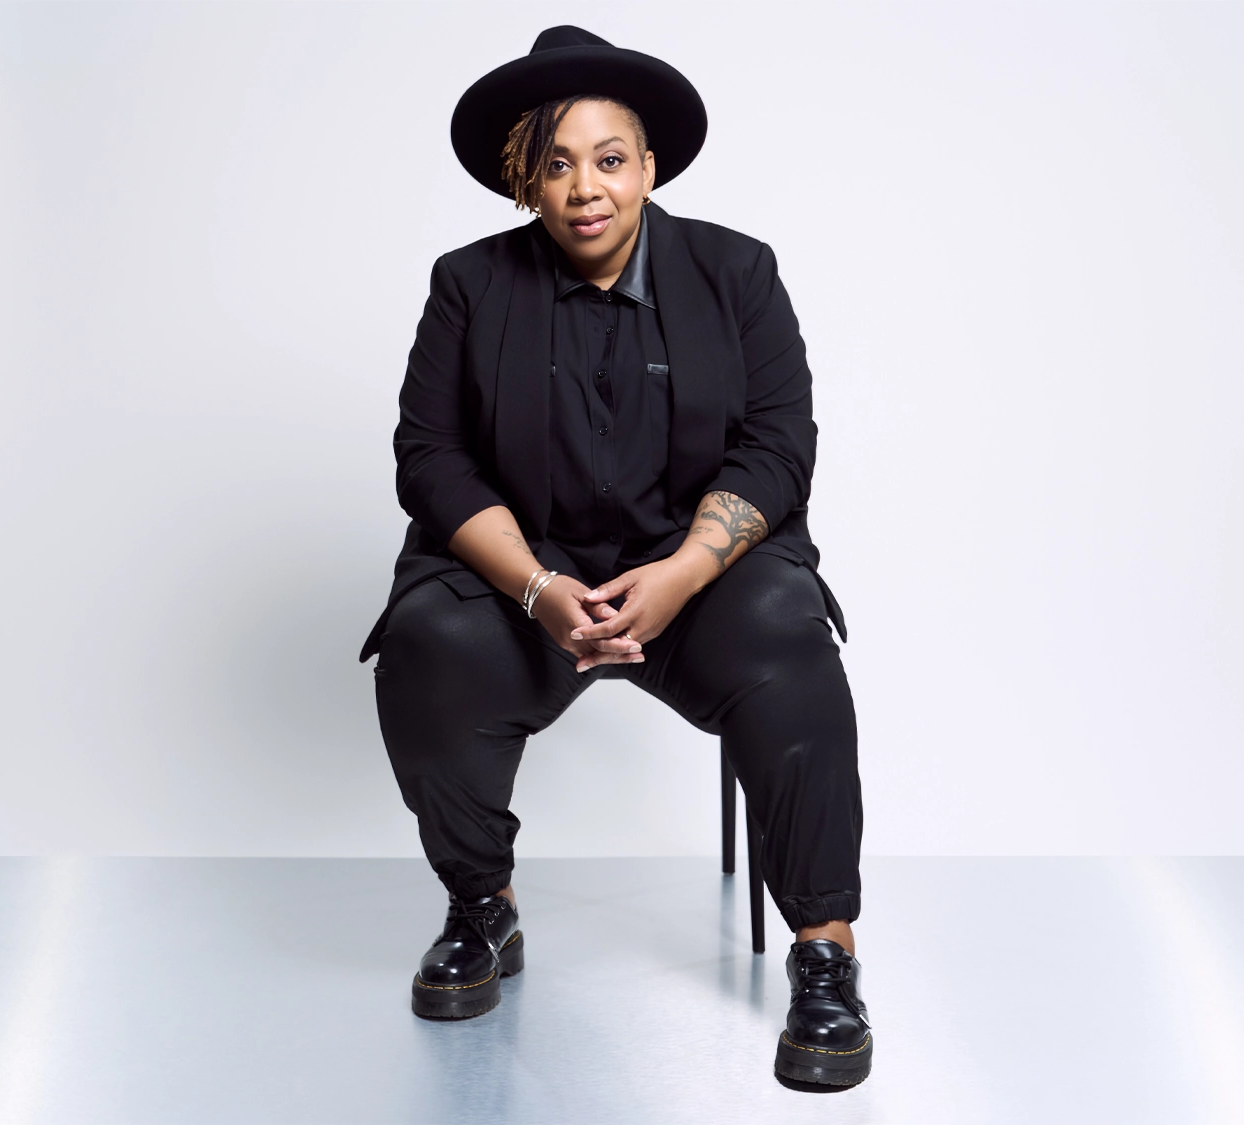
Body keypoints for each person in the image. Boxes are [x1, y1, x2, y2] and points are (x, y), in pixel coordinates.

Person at [359, 26, 870, 1087]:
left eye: (607, 158)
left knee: (786, 623)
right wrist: (537, 588)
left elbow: (778, 443)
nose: (583, 187)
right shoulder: (468, 285)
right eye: (554, 163)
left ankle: (824, 951)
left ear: (646, 167)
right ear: (522, 182)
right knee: (426, 635)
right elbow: (431, 456)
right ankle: (480, 908)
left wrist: (684, 572)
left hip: (696, 579)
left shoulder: (736, 272)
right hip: (527, 583)